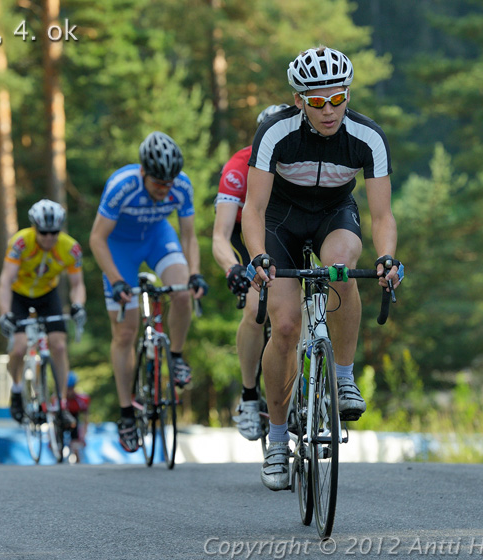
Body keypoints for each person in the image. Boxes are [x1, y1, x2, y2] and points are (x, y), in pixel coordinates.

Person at [242, 46, 404, 491]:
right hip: (281, 220)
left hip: (335, 212)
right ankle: (277, 441)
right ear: (300, 101)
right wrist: (258, 257)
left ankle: (344, 377)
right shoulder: (275, 133)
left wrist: (386, 257)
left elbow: (383, 216)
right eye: (317, 101)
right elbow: (252, 210)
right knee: (287, 326)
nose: (329, 110)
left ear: (349, 95)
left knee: (340, 268)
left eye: (338, 98)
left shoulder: (367, 137)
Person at [89, 131, 208, 453]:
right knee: (125, 333)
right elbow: (97, 239)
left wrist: (195, 273)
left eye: (168, 182)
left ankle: (178, 356)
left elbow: (189, 237)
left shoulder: (181, 185)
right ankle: (126, 411)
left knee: (182, 292)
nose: (164, 188)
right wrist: (115, 280)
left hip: (157, 237)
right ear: (143, 172)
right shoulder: (122, 186)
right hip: (119, 247)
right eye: (158, 182)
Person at [212, 103, 290, 441]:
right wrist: (232, 267)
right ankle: (247, 395)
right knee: (255, 310)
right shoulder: (238, 166)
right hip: (248, 237)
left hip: (286, 233)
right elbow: (220, 233)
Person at [0, 199, 87, 426]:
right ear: (35, 228)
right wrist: (5, 312)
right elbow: (6, 280)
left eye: (54, 233)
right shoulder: (20, 242)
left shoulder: (70, 248)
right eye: (44, 233)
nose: (49, 238)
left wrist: (77, 305)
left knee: (59, 345)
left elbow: (77, 284)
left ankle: (62, 405)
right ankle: (17, 390)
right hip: (19, 295)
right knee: (18, 349)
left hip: (48, 295)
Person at [62, 371, 91, 462]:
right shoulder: (57, 400)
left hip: (74, 420)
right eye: (67, 389)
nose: (68, 392)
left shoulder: (81, 399)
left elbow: (86, 418)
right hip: (61, 421)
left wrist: (83, 434)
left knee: (76, 444)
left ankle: (77, 460)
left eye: (70, 388)